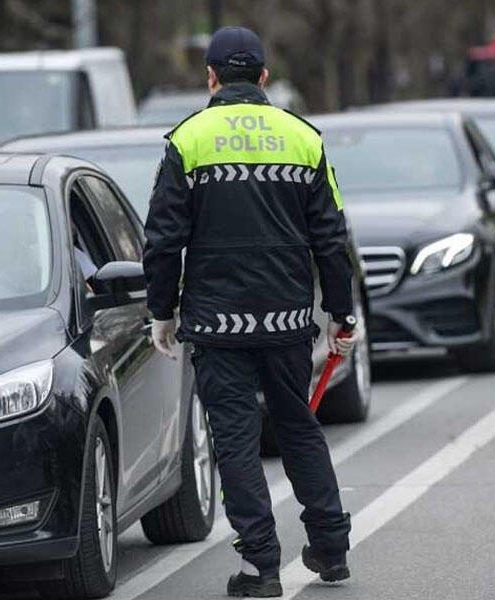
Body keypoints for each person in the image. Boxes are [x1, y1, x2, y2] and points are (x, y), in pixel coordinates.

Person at [143, 26, 360, 598]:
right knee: (298, 427)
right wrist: (342, 315)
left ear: (210, 78)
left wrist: (161, 312)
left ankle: (262, 567)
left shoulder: (187, 140)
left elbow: (163, 240)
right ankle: (332, 549)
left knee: (235, 441)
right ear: (264, 77)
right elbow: (331, 238)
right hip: (288, 320)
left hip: (217, 325)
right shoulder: (303, 137)